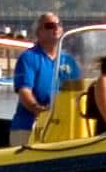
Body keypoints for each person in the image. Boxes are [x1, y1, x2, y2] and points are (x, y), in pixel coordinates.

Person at [10, 13, 77, 144]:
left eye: (59, 25)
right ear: (39, 32)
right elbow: (24, 92)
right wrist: (38, 110)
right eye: (50, 26)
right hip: (28, 126)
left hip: (62, 126)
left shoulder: (68, 61)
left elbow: (77, 92)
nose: (56, 28)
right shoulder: (28, 57)